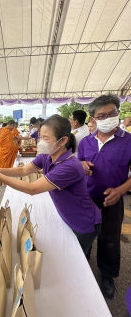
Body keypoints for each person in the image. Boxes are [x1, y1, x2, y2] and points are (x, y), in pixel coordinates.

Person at [0, 115, 102, 256]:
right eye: (40, 136)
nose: (40, 141)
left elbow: (33, 189)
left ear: (62, 141)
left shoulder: (70, 166)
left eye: (46, 138)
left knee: (78, 258)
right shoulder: (47, 156)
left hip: (83, 221)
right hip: (68, 216)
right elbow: (23, 170)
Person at [78, 94, 131, 300]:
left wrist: (120, 191)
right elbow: (78, 164)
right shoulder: (85, 142)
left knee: (109, 239)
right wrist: (81, 166)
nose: (108, 118)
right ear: (93, 119)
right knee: (85, 235)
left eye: (113, 113)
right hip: (87, 198)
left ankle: (107, 275)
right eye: (102, 115)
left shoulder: (128, 141)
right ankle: (82, 268)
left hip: (113, 199)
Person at [0, 120, 19, 186]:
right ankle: (4, 183)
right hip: (6, 154)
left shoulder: (0, 130)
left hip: (0, 152)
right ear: (11, 125)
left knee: (0, 168)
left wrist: (0, 147)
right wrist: (17, 148)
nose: (13, 128)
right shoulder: (8, 132)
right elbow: (10, 146)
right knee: (5, 169)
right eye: (13, 126)